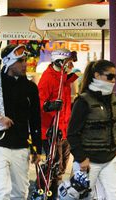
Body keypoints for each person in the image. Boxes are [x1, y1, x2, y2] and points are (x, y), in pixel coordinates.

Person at [0, 44, 42, 199]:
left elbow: (35, 118)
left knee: (20, 193)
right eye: (20, 61)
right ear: (9, 62)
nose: (25, 64)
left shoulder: (30, 87)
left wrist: (37, 147)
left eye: (25, 60)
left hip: (21, 146)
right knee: (2, 191)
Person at [67, 60, 116, 200]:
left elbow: (114, 125)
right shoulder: (83, 101)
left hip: (110, 159)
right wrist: (81, 158)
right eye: (110, 76)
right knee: (84, 197)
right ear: (97, 75)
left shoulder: (113, 99)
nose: (113, 80)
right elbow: (72, 134)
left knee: (115, 195)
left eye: (115, 76)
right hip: (88, 162)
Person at [37, 48, 78, 198]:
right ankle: (45, 191)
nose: (71, 66)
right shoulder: (48, 78)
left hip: (65, 128)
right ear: (60, 62)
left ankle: (54, 191)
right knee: (53, 164)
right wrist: (49, 106)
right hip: (51, 129)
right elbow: (39, 102)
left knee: (62, 165)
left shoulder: (63, 78)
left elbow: (67, 102)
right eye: (69, 63)